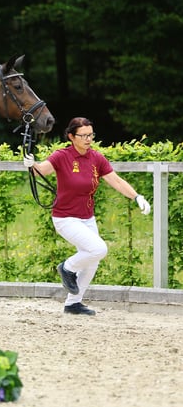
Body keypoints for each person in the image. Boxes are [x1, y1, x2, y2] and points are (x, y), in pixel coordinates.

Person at [23, 117, 151, 316]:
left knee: (93, 261)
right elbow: (42, 171)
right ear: (72, 137)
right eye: (83, 135)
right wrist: (31, 164)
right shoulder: (61, 156)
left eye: (90, 134)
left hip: (87, 217)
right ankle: (66, 268)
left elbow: (116, 181)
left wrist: (137, 197)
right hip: (65, 218)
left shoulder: (96, 158)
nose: (88, 139)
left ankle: (73, 303)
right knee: (99, 248)